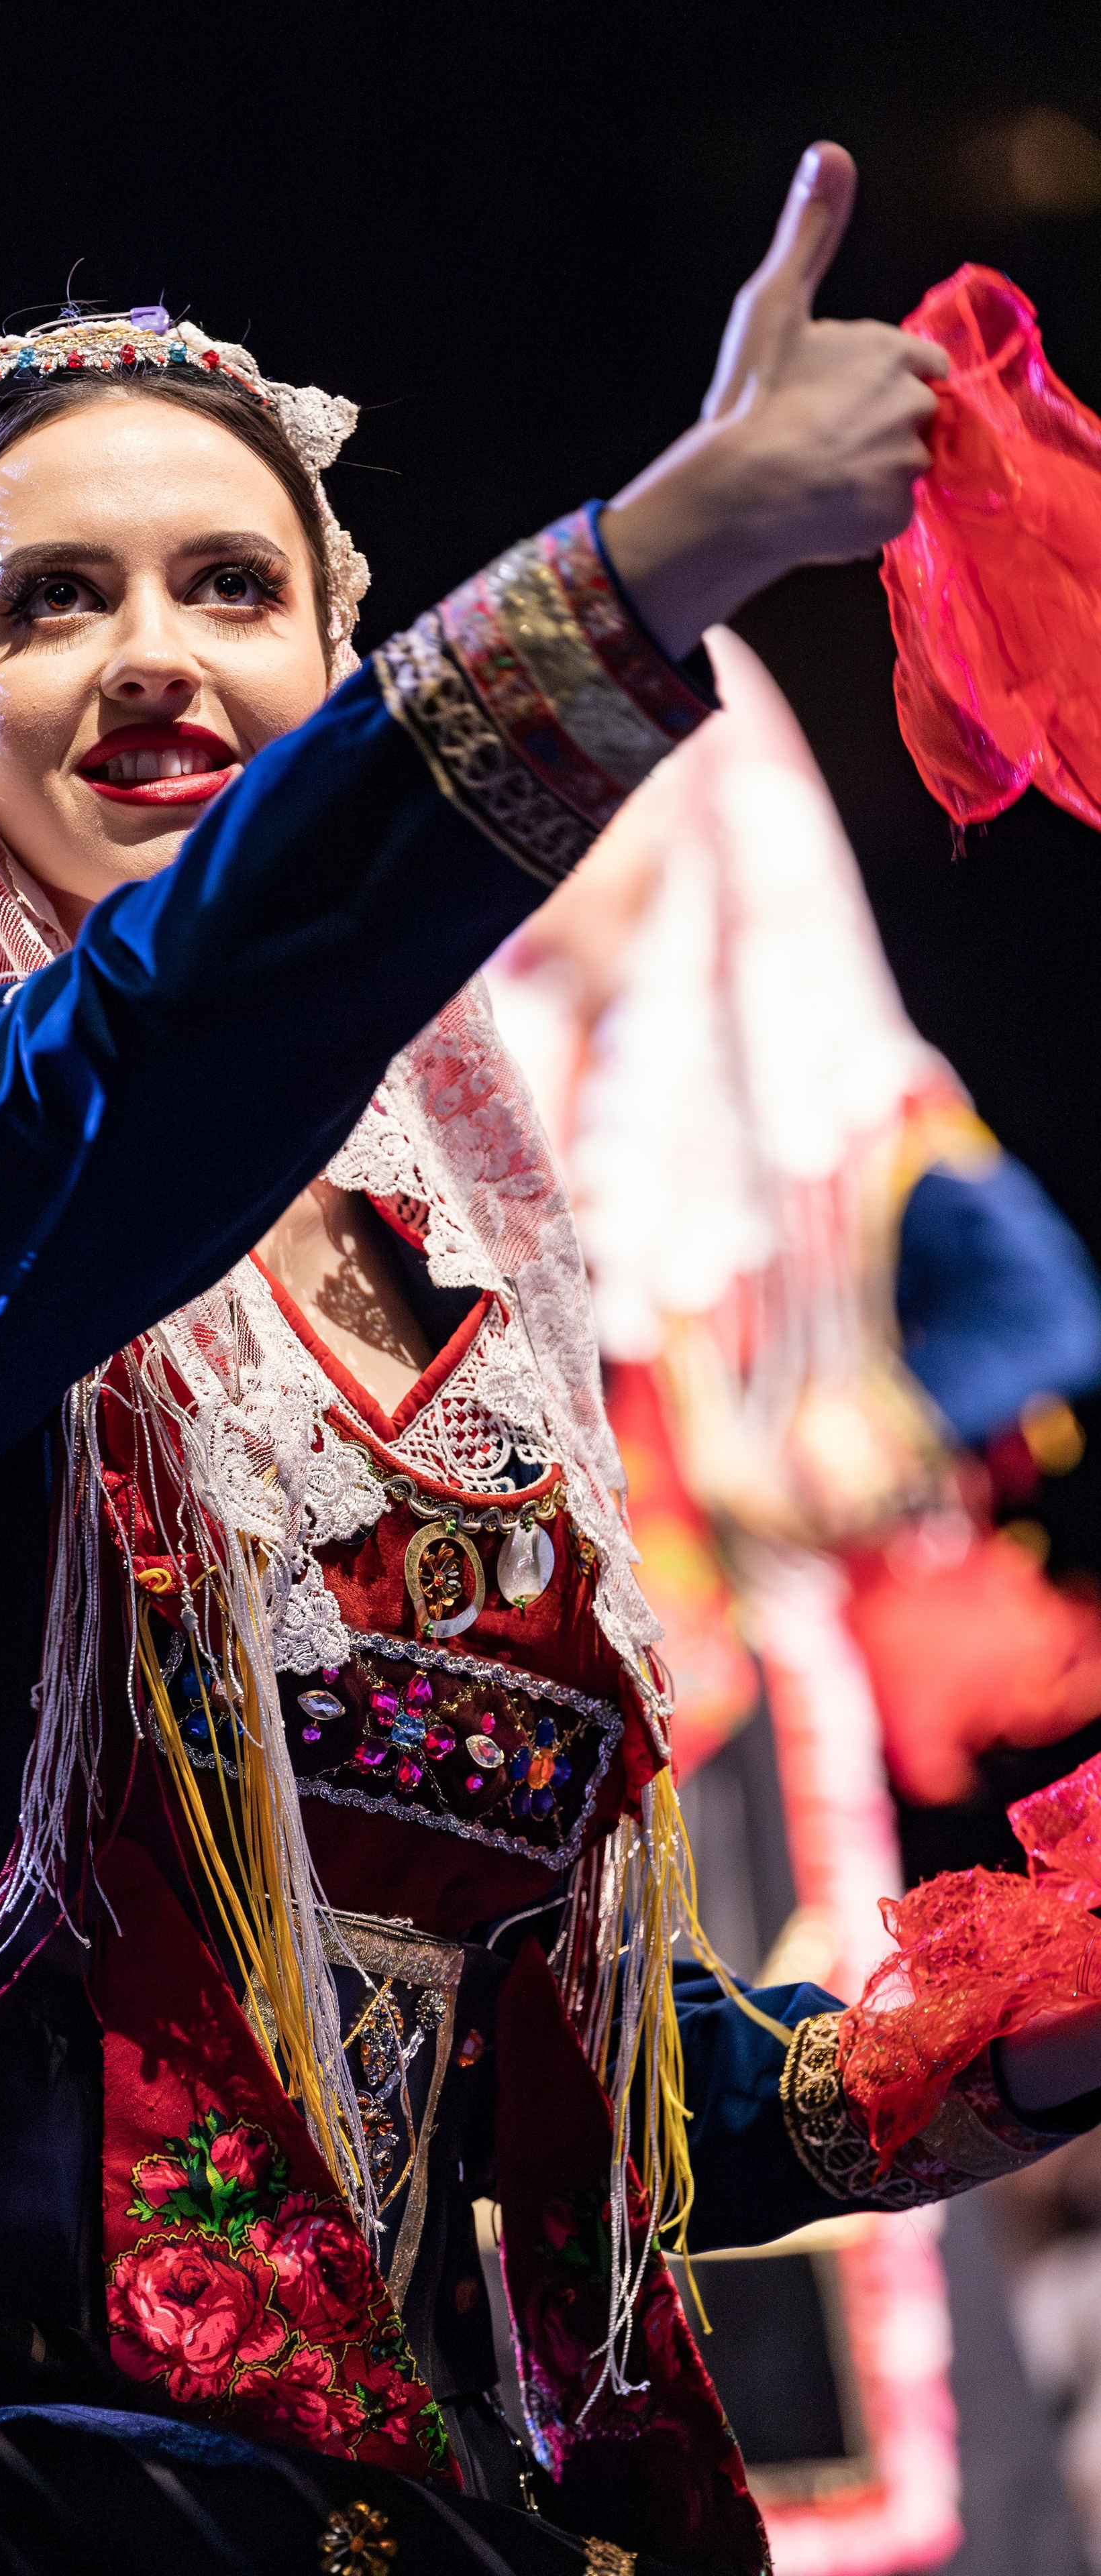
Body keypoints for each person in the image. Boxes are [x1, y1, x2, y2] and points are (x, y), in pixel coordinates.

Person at [0, 146, 1101, 2576]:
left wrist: (1016, 2033)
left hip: (376, 2493)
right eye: (52, 600)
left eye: (231, 587)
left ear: (324, 648)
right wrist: (662, 565)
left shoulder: (440, 1293)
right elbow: (161, 1051)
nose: (157, 655)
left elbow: (549, 2069)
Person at [486, 625, 1101, 2571]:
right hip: (536, 1722)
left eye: (606, 793)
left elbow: (1041, 1310)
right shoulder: (468, 1086)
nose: (566, 841)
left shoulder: (818, 1107)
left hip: (743, 1705)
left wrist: (865, 1441)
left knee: (783, 2090)